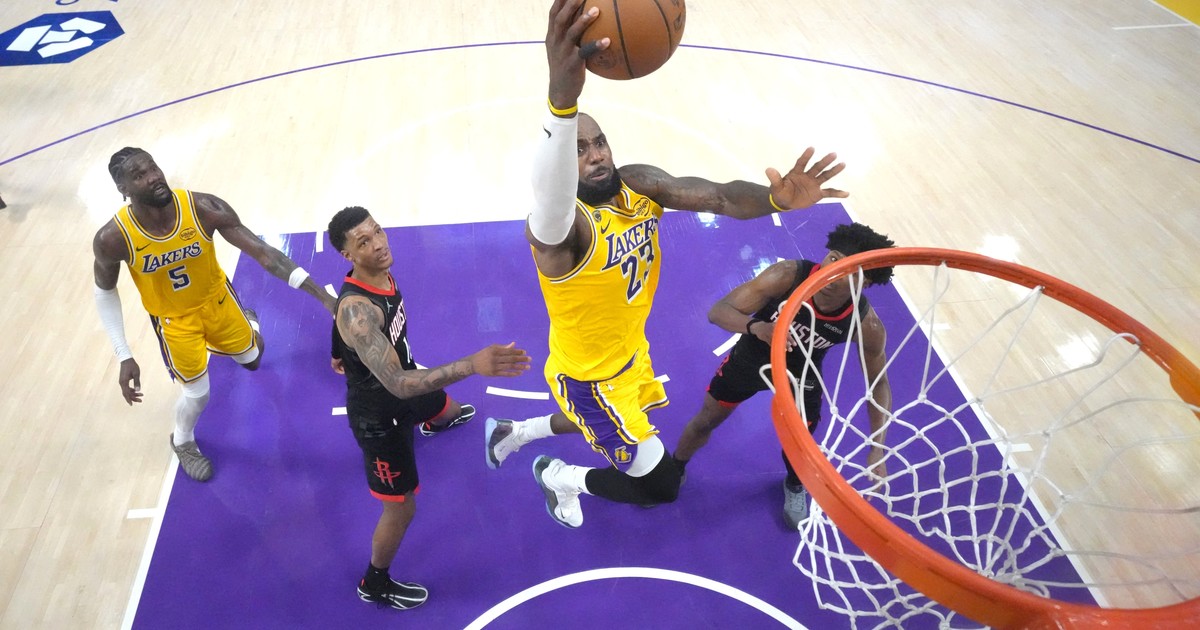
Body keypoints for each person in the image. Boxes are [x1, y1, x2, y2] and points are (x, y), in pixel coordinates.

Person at [482, 0, 850, 529]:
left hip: (630, 352)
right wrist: (561, 103)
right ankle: (559, 476)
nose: (596, 155)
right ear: (563, 161)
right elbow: (550, 201)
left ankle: (515, 433)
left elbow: (720, 196)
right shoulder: (562, 233)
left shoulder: (638, 184)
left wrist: (776, 200)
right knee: (659, 486)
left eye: (600, 142)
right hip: (588, 377)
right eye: (579, 149)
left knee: (604, 424)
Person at [327, 206, 531, 610]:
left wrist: (337, 352)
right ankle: (375, 582)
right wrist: (473, 364)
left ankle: (436, 422)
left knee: (442, 404)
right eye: (364, 242)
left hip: (402, 384)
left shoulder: (377, 274)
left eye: (378, 231)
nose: (378, 244)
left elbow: (338, 319)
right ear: (348, 255)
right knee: (401, 508)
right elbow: (399, 384)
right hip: (380, 418)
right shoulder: (358, 312)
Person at [92, 147, 336, 481]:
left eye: (153, 168)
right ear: (124, 189)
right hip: (174, 323)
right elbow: (105, 291)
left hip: (218, 302)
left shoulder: (202, 208)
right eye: (140, 175)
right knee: (197, 394)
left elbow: (265, 254)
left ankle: (248, 322)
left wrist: (323, 296)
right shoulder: (113, 238)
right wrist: (124, 354)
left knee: (253, 359)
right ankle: (182, 441)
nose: (154, 177)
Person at [673, 222, 896, 529]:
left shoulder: (866, 324)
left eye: (849, 271)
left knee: (800, 444)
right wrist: (758, 328)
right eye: (834, 258)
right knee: (706, 419)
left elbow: (878, 383)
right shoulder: (787, 276)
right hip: (752, 358)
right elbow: (718, 311)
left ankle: (794, 483)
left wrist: (877, 447)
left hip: (801, 375)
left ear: (865, 283)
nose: (834, 272)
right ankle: (676, 466)